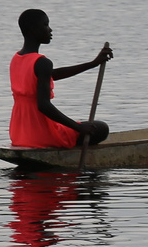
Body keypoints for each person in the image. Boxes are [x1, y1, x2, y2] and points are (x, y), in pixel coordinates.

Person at [9, 9, 113, 149]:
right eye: (45, 25)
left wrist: (92, 63)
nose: (50, 30)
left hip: (19, 133)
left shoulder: (17, 59)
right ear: (33, 30)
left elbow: (51, 75)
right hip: (41, 134)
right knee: (101, 128)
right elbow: (44, 105)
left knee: (85, 125)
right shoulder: (42, 63)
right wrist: (78, 127)